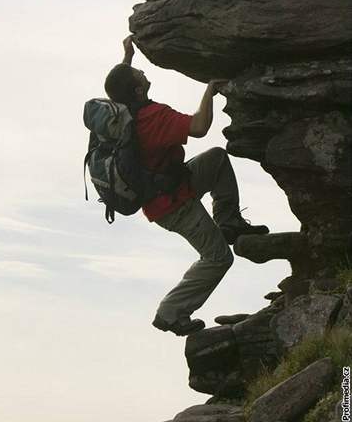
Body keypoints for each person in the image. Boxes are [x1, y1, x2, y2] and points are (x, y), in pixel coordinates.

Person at [103, 35, 269, 336]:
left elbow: (121, 85)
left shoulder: (120, 115)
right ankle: (171, 312)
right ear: (138, 89)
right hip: (173, 205)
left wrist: (127, 56)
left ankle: (228, 220)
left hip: (169, 189)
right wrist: (211, 90)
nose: (143, 72)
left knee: (216, 159)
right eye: (139, 74)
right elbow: (199, 127)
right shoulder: (153, 117)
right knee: (219, 257)